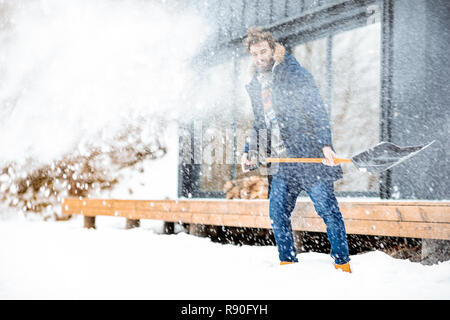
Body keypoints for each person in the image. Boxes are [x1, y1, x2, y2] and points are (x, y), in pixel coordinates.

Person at [241, 27, 351, 272]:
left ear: (272, 48)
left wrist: (325, 145)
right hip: (282, 163)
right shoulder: (255, 86)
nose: (260, 57)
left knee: (328, 211)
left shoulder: (294, 73)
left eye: (263, 51)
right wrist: (249, 150)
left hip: (308, 155)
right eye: (255, 54)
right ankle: (288, 263)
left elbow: (316, 110)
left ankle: (342, 265)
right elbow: (259, 123)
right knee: (277, 213)